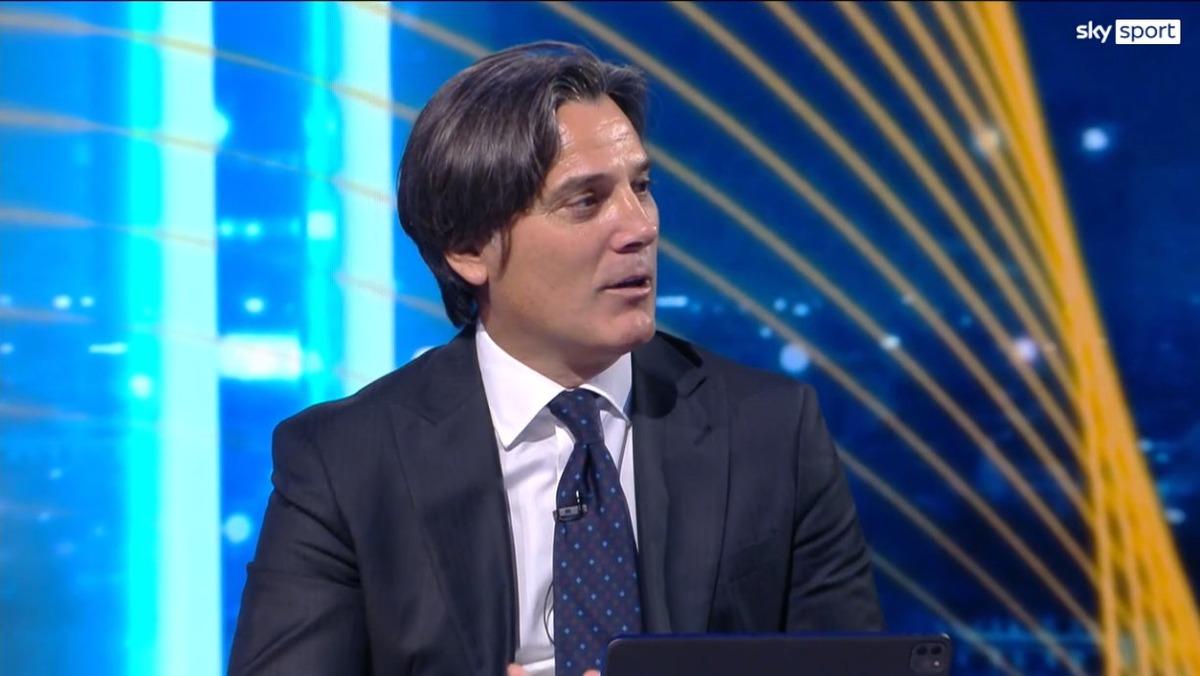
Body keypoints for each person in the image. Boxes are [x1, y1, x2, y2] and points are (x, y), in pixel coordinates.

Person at [229, 41, 882, 676]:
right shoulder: (345, 465)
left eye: (641, 186)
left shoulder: (772, 432)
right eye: (586, 200)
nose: (640, 227)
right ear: (469, 248)